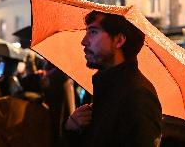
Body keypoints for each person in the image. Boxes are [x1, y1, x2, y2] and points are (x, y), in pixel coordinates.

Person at [64, 11, 162, 147]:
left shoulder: (138, 96)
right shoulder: (107, 88)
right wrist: (73, 129)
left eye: (93, 32)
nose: (84, 41)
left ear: (119, 40)